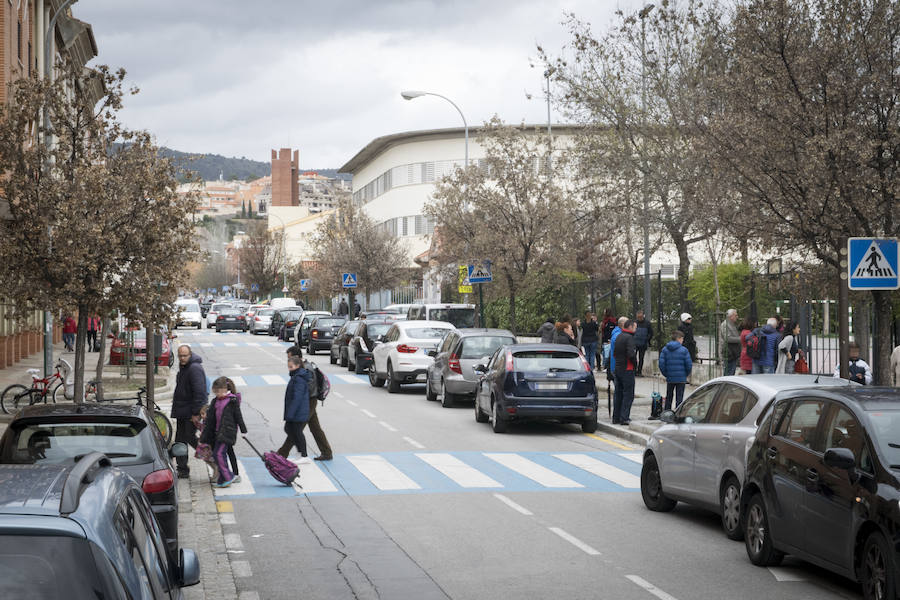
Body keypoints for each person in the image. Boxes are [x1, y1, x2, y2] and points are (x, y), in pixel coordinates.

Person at [280, 346, 333, 461]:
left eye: (289, 357)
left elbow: (307, 388)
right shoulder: (304, 367)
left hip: (308, 401)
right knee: (315, 428)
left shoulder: (306, 369)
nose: (288, 360)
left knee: (296, 429)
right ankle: (327, 452)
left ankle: (282, 453)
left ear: (297, 357)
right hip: (308, 401)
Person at [172, 345, 208, 478]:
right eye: (180, 355)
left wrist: (196, 413)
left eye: (184, 355)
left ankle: (211, 459)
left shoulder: (194, 368)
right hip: (182, 412)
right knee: (180, 441)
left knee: (190, 438)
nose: (182, 358)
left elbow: (200, 393)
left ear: (190, 354)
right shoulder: (185, 367)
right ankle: (182, 469)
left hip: (190, 413)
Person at [200, 377, 242, 488]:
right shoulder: (217, 401)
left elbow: (238, 417)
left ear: (225, 389)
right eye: (215, 392)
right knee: (220, 453)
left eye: (218, 391)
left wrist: (243, 430)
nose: (217, 394)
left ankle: (232, 475)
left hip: (227, 432)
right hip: (218, 432)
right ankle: (225, 476)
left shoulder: (232, 400)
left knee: (224, 453)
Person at [280, 354, 313, 462]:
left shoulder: (298, 378)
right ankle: (300, 452)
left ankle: (304, 455)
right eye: (288, 367)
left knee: (296, 431)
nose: (289, 369)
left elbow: (297, 397)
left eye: (291, 367)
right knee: (290, 429)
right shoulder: (296, 376)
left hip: (298, 411)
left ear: (298, 365)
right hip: (297, 410)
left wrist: (291, 413)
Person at [658, 330, 692, 410]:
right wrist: (685, 374)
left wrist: (666, 374)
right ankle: (678, 413)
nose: (683, 341)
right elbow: (688, 365)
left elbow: (661, 364)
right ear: (679, 339)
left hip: (670, 377)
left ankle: (667, 412)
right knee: (679, 398)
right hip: (681, 378)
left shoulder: (665, 349)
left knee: (669, 396)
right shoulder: (684, 350)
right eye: (682, 339)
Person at [612, 319, 637, 425]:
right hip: (627, 369)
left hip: (618, 368)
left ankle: (616, 417)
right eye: (635, 327)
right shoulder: (629, 338)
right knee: (628, 394)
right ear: (630, 327)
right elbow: (631, 354)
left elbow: (614, 353)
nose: (636, 329)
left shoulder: (618, 336)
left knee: (618, 394)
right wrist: (635, 364)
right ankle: (624, 417)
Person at [718, 309, 741, 376]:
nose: (737, 317)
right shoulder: (725, 325)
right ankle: (726, 385)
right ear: (731, 316)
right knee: (729, 372)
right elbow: (727, 338)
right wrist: (740, 339)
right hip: (729, 352)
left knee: (731, 371)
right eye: (736, 315)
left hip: (733, 352)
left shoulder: (731, 324)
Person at [633, 310, 654, 377]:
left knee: (641, 358)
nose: (639, 318)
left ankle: (639, 371)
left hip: (643, 343)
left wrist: (647, 339)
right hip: (634, 344)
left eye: (641, 317)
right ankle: (634, 371)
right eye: (638, 317)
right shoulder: (634, 323)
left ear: (643, 316)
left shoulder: (647, 323)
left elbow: (651, 333)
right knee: (633, 357)